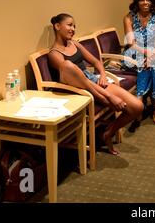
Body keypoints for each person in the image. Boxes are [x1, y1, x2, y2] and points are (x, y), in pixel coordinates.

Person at [48, 13, 144, 155]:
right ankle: (108, 99)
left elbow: (96, 62)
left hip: (92, 81)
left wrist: (103, 76)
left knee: (137, 107)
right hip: (78, 89)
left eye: (74, 26)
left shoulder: (75, 44)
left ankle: (108, 132)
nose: (73, 29)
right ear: (57, 26)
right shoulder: (54, 54)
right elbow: (80, 80)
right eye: (69, 25)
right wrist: (110, 96)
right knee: (69, 66)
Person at [122, 0, 155, 132]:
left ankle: (142, 107)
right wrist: (145, 52)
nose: (145, 2)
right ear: (137, 1)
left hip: (153, 53)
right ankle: (153, 108)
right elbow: (130, 42)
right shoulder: (128, 18)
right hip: (134, 52)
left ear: (152, 2)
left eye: (148, 0)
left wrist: (152, 55)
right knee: (144, 65)